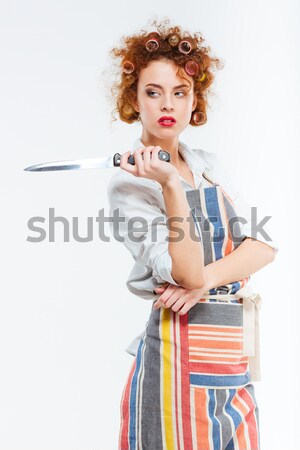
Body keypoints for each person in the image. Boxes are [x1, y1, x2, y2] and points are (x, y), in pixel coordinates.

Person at [106, 17, 278, 450]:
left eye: (180, 92)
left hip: (231, 358)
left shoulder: (208, 164)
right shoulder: (129, 185)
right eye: (153, 92)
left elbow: (264, 246)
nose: (168, 104)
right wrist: (167, 184)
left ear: (194, 99)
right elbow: (184, 273)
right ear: (134, 99)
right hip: (173, 368)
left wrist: (206, 282)